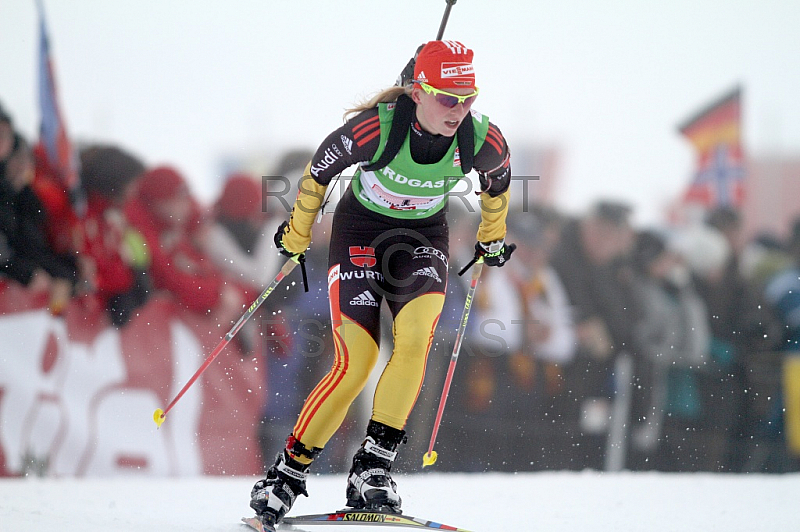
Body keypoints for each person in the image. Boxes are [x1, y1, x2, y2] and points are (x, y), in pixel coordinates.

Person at [249, 40, 514, 529]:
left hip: (422, 239)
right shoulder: (377, 128)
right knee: (358, 360)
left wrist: (491, 240)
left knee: (415, 342)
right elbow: (317, 174)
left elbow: (498, 186)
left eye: (468, 97)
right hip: (360, 236)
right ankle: (286, 475)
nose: (459, 110)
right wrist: (298, 232)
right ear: (417, 90)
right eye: (447, 97)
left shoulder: (483, 139)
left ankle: (373, 467)